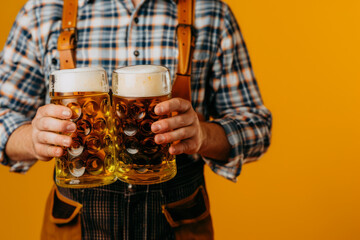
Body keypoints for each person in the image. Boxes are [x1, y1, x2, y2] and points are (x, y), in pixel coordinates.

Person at [0, 0, 272, 239]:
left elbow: (257, 127)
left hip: (177, 220)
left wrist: (203, 134)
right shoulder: (42, 11)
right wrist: (32, 137)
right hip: (77, 221)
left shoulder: (211, 12)